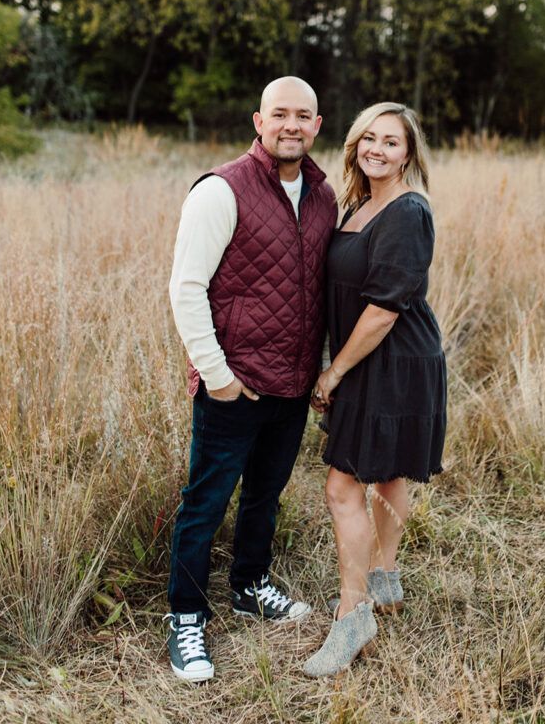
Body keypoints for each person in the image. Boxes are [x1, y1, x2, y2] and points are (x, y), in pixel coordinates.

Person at [165, 76, 337, 682]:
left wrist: (318, 372)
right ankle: (186, 616)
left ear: (318, 126)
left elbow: (316, 291)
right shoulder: (220, 190)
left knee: (266, 495)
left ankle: (250, 585)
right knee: (206, 503)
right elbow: (186, 290)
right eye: (279, 114)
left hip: (291, 386)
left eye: (304, 116)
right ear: (258, 122)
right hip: (232, 385)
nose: (291, 125)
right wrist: (217, 377)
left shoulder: (322, 195)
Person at [303, 102, 446, 678]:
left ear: (409, 154)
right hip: (376, 356)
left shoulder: (408, 210)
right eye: (369, 138)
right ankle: (384, 575)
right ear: (355, 144)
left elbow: (385, 309)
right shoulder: (360, 202)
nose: (378, 149)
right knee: (386, 473)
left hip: (393, 358)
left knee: (343, 487)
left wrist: (333, 372)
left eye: (392, 142)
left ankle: (352, 613)